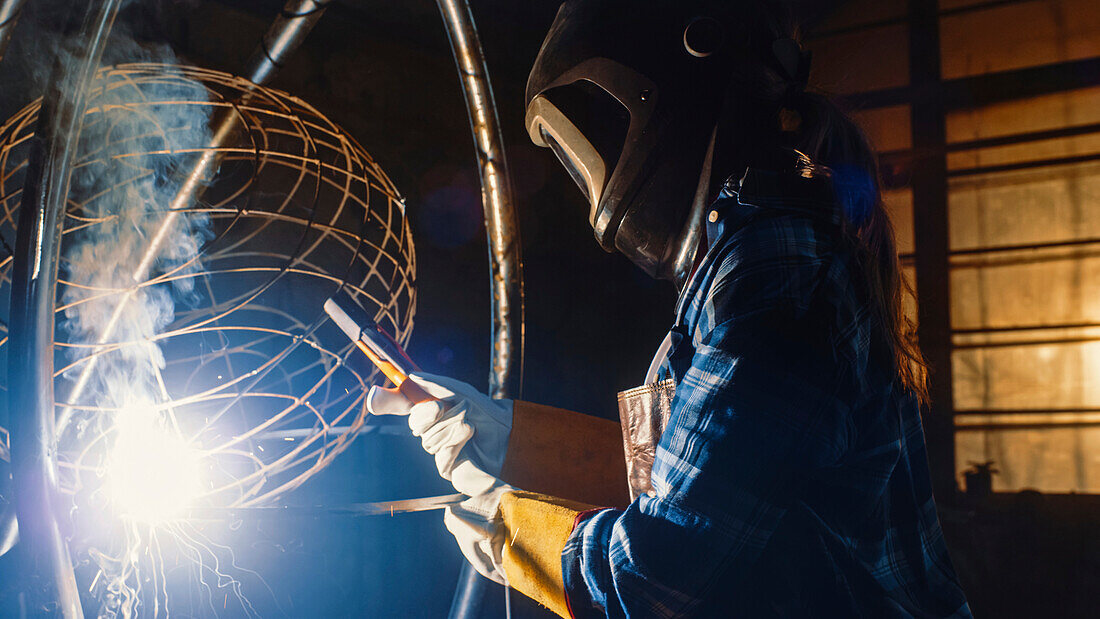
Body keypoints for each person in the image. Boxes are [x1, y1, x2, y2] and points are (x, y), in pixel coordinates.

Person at [367, 0, 972, 616]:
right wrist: (508, 437)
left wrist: (513, 530)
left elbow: (657, 575)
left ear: (677, 74)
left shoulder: (776, 270)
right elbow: (696, 479)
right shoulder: (747, 246)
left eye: (598, 129)